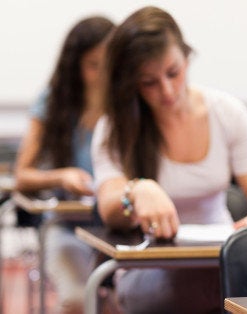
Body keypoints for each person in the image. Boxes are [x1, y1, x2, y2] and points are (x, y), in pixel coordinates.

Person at [91, 6, 247, 313]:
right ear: (130, 84)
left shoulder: (226, 113)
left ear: (186, 57)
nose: (167, 91)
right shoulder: (115, 126)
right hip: (150, 272)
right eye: (149, 83)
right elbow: (109, 205)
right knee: (212, 291)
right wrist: (136, 190)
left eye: (173, 73)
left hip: (219, 260)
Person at [13, 16, 114, 314]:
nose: (102, 75)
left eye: (109, 64)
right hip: (67, 227)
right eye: (94, 65)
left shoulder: (127, 103)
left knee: (127, 301)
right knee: (76, 299)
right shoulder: (53, 101)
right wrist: (61, 176)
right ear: (75, 67)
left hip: (117, 229)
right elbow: (22, 175)